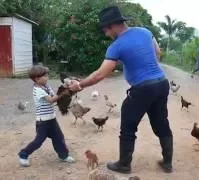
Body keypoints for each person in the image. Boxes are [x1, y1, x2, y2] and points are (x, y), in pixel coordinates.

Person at [68, 6, 173, 173]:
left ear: (110, 26)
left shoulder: (116, 46)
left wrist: (79, 85)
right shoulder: (145, 32)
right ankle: (167, 163)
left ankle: (124, 165)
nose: (104, 32)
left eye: (104, 29)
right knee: (161, 122)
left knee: (128, 126)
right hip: (161, 83)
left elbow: (99, 75)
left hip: (142, 89)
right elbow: (157, 52)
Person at [18, 65, 75, 167]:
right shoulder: (38, 90)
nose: (47, 77)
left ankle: (63, 155)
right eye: (44, 76)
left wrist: (65, 89)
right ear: (36, 78)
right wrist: (63, 92)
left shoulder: (46, 86)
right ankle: (23, 154)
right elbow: (51, 100)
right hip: (43, 122)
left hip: (51, 119)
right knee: (38, 141)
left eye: (47, 75)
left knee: (59, 137)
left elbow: (54, 96)